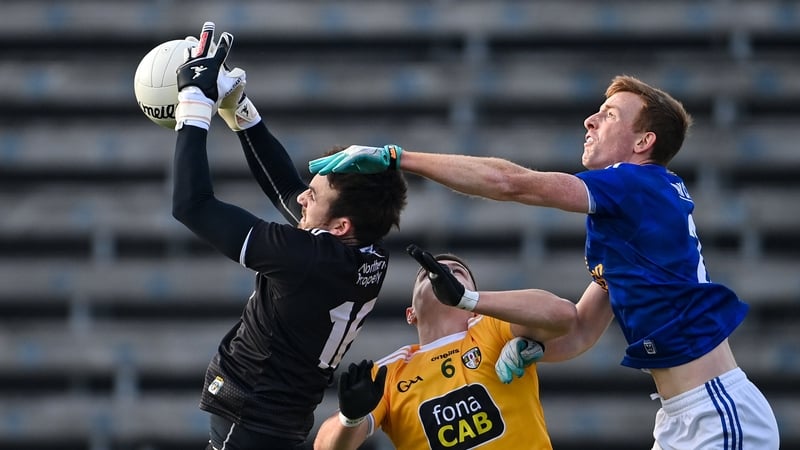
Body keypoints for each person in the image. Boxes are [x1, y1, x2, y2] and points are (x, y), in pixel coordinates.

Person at [308, 75, 780, 449]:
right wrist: (534, 349)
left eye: (609, 115)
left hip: (713, 410)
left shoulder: (637, 185)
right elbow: (578, 330)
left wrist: (399, 157)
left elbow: (514, 183)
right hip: (681, 415)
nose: (590, 121)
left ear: (642, 143)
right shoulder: (626, 220)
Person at [170, 23, 408, 449]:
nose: (302, 200)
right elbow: (287, 190)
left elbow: (191, 205)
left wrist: (194, 104)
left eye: (313, 196)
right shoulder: (369, 251)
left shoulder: (307, 258)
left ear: (340, 227)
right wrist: (239, 108)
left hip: (248, 417)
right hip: (276, 422)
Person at [313, 244, 602, 450]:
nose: (442, 272)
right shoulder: (388, 373)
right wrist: (350, 418)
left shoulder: (492, 328)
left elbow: (564, 316)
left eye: (457, 272)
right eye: (427, 274)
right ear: (410, 313)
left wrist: (468, 298)